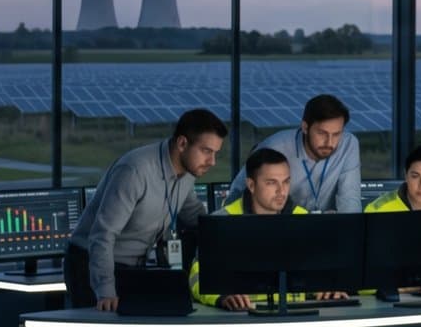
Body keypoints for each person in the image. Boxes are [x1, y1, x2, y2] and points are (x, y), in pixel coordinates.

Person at [66, 108, 226, 312]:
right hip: (91, 264)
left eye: (216, 153)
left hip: (133, 267)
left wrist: (230, 231)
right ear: (182, 143)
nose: (212, 162)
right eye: (206, 151)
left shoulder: (187, 175)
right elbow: (102, 234)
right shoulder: (135, 170)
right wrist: (105, 290)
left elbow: (195, 216)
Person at [190, 147, 348, 311]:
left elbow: (324, 269)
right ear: (251, 185)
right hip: (242, 316)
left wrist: (328, 285)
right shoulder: (220, 222)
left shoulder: (305, 220)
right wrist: (220, 295)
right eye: (271, 183)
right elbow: (197, 276)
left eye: (286, 181)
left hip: (297, 315)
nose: (282, 191)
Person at [232, 93, 361, 212]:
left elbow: (350, 200)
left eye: (336, 134)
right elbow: (236, 195)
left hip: (327, 229)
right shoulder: (273, 148)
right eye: (322, 133)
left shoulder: (348, 144)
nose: (330, 142)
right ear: (305, 127)